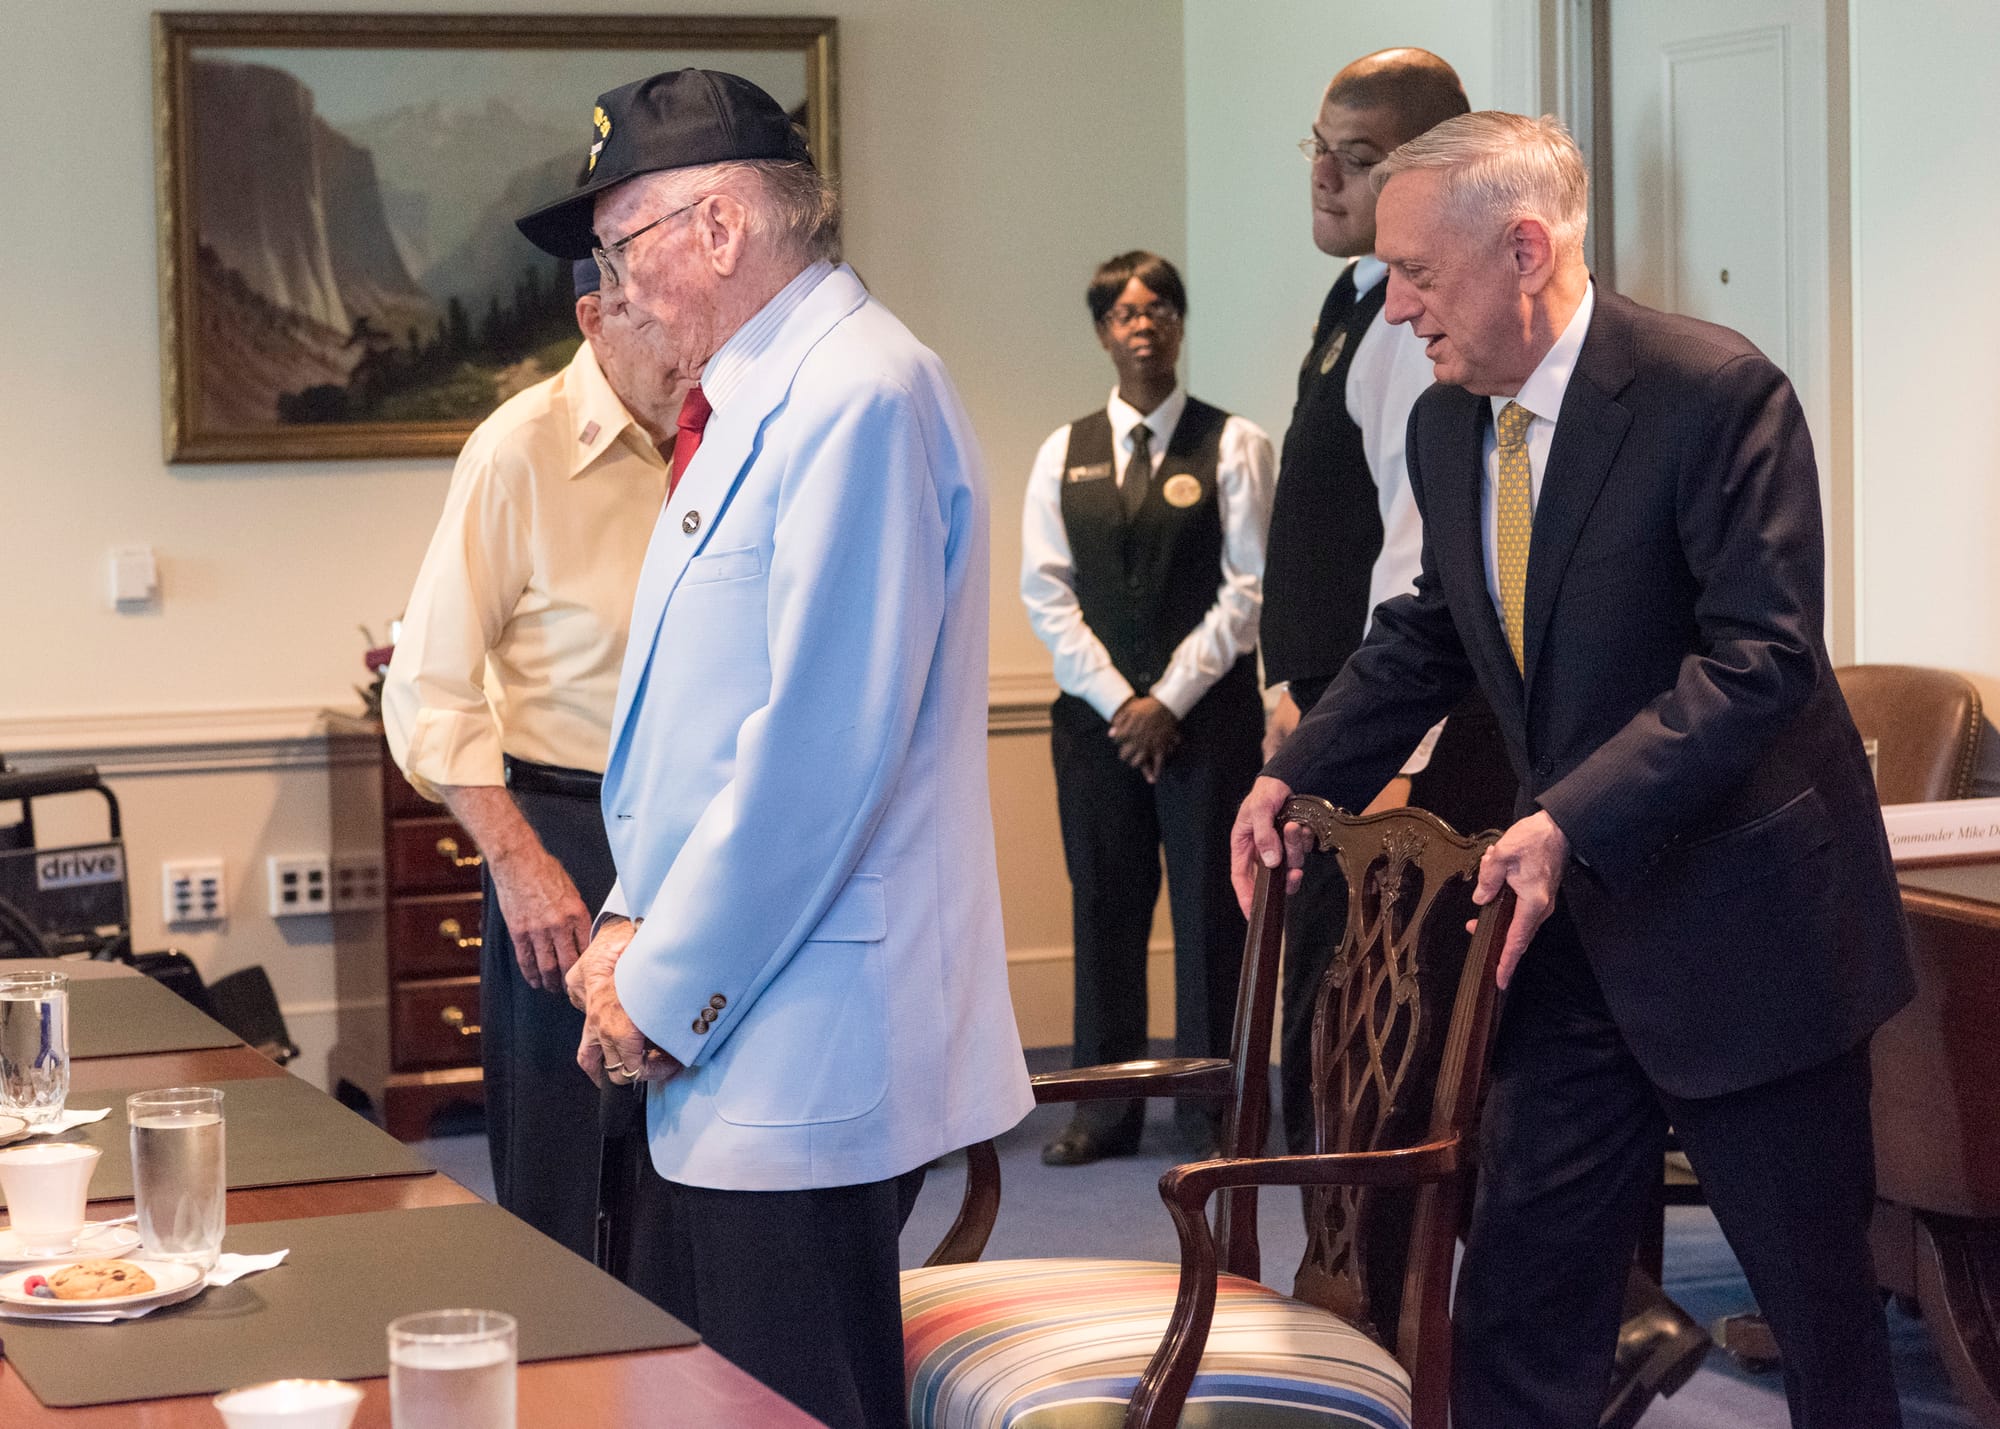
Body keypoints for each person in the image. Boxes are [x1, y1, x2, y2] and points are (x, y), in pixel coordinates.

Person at [1232, 111, 1913, 1429]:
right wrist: (1295, 774)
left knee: (1825, 1335)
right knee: (1519, 1314)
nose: (1393, 311)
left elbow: (1759, 661)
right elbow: (1430, 635)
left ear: (1525, 250)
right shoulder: (1449, 426)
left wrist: (1563, 819)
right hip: (1574, 956)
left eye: (1416, 276)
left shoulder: (1715, 395)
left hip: (1748, 944)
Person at [513, 69, 1032, 1429]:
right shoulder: (758, 396)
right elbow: (699, 733)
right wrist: (627, 929)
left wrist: (661, 982)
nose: (613, 290)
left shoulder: (861, 395)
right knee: (706, 1394)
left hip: (803, 1031)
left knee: (788, 1401)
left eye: (623, 249)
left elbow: (818, 752)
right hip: (742, 1015)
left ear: (723, 228)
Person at [382, 258, 681, 1259]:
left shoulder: (729, 434)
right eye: (664, 317)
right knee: (565, 1170)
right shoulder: (520, 446)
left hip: (700, 837)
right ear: (595, 316)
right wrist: (517, 863)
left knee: (690, 1169)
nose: (695, 343)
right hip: (562, 838)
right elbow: (427, 684)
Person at [1021, 251, 1274, 1166]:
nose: (1143, 323)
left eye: (1160, 306)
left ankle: (1211, 1112)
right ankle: (1105, 1108)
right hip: (1097, 731)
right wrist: (1122, 702)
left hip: (1207, 724)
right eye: (1123, 311)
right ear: (1101, 331)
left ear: (1179, 322)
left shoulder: (1236, 443)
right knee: (1106, 909)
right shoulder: (1063, 453)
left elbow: (1246, 591)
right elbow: (1046, 594)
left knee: (1214, 912)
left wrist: (1166, 699)